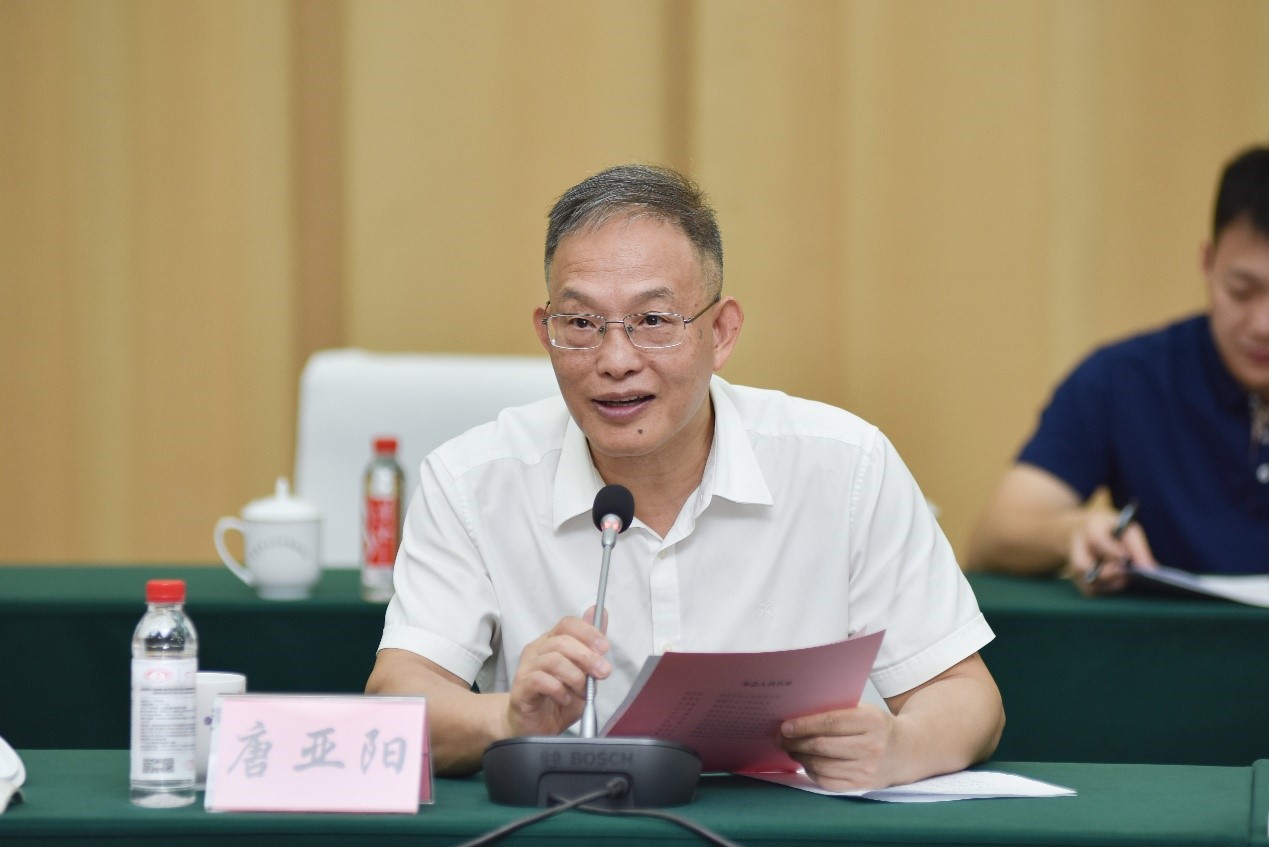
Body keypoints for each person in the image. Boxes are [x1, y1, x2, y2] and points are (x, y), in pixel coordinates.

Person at [366, 164, 1004, 790]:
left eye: (653, 322)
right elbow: (398, 701)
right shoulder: (471, 482)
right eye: (582, 324)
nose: (616, 361)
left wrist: (902, 748)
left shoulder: (846, 465)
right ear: (546, 332)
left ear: (721, 332)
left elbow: (964, 692)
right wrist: (506, 719)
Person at [966, 145, 1269, 594]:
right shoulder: (1125, 380)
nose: (1262, 325)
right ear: (1207, 263)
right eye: (1241, 291)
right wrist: (1072, 531)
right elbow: (994, 537)